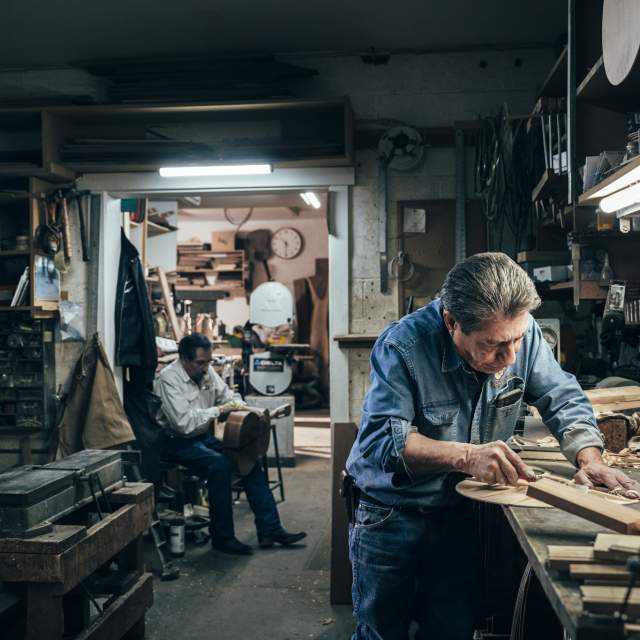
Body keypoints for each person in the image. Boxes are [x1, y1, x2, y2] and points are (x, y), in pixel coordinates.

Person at [346, 252, 640, 640]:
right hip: (391, 515)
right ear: (452, 321)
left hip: (458, 512)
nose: (510, 356)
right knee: (382, 632)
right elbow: (384, 441)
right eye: (493, 345)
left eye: (517, 340)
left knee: (450, 629)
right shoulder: (403, 345)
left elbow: (562, 397)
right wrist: (468, 456)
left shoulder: (520, 329)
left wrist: (589, 457)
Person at [155, 333, 306, 555]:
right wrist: (220, 410)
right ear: (184, 359)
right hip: (174, 442)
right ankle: (223, 538)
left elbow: (227, 396)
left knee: (248, 460)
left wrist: (244, 408)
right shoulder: (168, 379)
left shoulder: (205, 373)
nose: (206, 368)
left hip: (200, 437)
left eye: (208, 362)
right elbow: (182, 424)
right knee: (220, 465)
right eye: (200, 363)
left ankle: (270, 529)